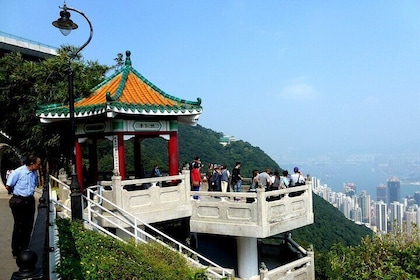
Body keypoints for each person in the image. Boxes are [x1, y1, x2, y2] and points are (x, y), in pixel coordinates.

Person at [6, 155, 41, 258]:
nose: (39, 166)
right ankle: (16, 250)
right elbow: (9, 185)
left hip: (29, 200)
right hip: (19, 201)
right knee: (19, 225)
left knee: (29, 224)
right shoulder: (18, 172)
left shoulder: (34, 173)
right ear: (32, 164)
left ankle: (25, 247)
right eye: (38, 164)